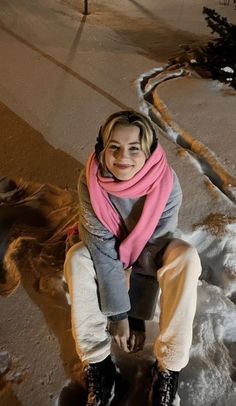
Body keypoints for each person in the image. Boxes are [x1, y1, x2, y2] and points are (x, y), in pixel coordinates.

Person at [64, 110, 202, 406]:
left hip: (148, 251)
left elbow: (153, 249)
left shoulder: (166, 184)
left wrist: (137, 316)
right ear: (102, 148)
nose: (122, 156)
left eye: (134, 148)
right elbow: (101, 249)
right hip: (108, 249)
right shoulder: (91, 179)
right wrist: (118, 317)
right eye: (113, 146)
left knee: (187, 258)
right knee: (77, 257)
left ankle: (167, 370)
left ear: (149, 152)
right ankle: (100, 367)